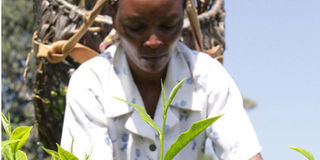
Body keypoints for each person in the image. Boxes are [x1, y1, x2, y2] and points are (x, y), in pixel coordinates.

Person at [61, 0, 263, 159]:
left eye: (168, 25)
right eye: (136, 26)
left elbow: (243, 154)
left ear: (183, 14)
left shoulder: (207, 76)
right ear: (115, 17)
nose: (154, 42)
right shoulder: (91, 83)